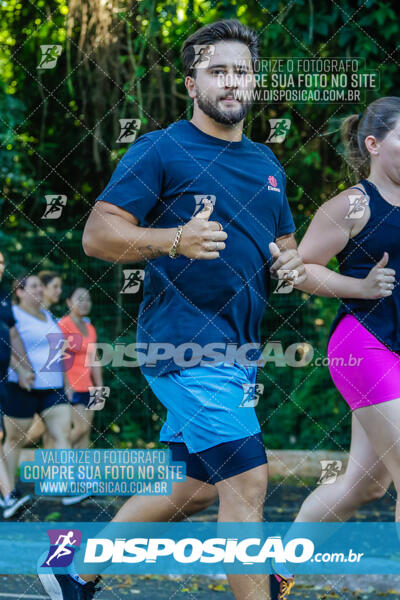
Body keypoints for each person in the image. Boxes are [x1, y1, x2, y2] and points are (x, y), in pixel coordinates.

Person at [39, 19, 307, 600]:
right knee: (246, 482)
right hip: (185, 344)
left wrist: (291, 266)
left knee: (195, 486)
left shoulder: (268, 166)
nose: (231, 82)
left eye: (241, 71)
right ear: (192, 83)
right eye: (217, 71)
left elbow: (284, 249)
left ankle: (75, 572)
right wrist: (174, 239)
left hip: (240, 352)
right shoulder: (162, 147)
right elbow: (97, 234)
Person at [265, 96, 400, 595]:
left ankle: (278, 569)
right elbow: (298, 270)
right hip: (364, 345)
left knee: (366, 484)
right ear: (374, 144)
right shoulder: (352, 205)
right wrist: (360, 287)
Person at [2, 274, 72, 494]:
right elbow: (5, 346)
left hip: (53, 386)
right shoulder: (12, 315)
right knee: (14, 440)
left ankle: (71, 488)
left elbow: (60, 353)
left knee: (63, 434)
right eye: (33, 286)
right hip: (22, 387)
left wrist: (67, 382)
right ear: (20, 292)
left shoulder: (47, 315)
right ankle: (9, 494)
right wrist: (21, 370)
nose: (40, 290)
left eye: (41, 286)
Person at [57, 286, 102, 506]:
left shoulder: (90, 327)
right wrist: (66, 384)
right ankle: (56, 463)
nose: (85, 303)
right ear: (68, 302)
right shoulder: (62, 325)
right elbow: (59, 356)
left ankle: (82, 477)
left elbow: (94, 359)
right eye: (80, 299)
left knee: (85, 434)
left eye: (88, 299)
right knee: (80, 429)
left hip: (90, 387)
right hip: (72, 386)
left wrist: (100, 387)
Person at [0, 253, 34, 519]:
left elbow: (11, 336)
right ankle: (8, 496)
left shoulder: (3, 300)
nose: (0, 268)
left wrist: (22, 368)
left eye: (2, 263)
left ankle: (7, 497)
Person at [24, 271, 63, 449]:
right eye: (54, 287)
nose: (59, 291)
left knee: (57, 433)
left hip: (53, 385)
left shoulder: (49, 317)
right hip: (29, 385)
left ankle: (53, 475)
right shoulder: (25, 314)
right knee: (30, 433)